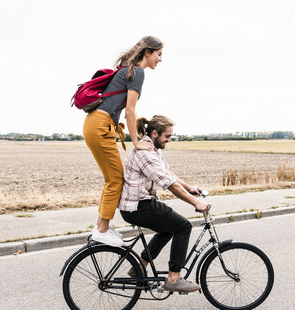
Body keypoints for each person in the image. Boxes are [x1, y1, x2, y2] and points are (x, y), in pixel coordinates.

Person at [83, 36, 164, 247]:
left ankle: (102, 227)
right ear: (148, 52)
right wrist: (136, 142)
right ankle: (102, 230)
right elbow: (130, 110)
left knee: (113, 178)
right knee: (116, 180)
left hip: (97, 123)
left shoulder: (129, 69)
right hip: (101, 125)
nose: (160, 59)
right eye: (159, 54)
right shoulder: (138, 72)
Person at [118, 115, 210, 293]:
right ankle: (173, 279)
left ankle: (139, 267)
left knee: (168, 229)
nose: (169, 140)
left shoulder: (151, 148)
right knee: (183, 226)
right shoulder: (145, 153)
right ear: (154, 133)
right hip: (138, 206)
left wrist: (189, 187)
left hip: (140, 204)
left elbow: (167, 173)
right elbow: (169, 184)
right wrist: (196, 203)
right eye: (167, 136)